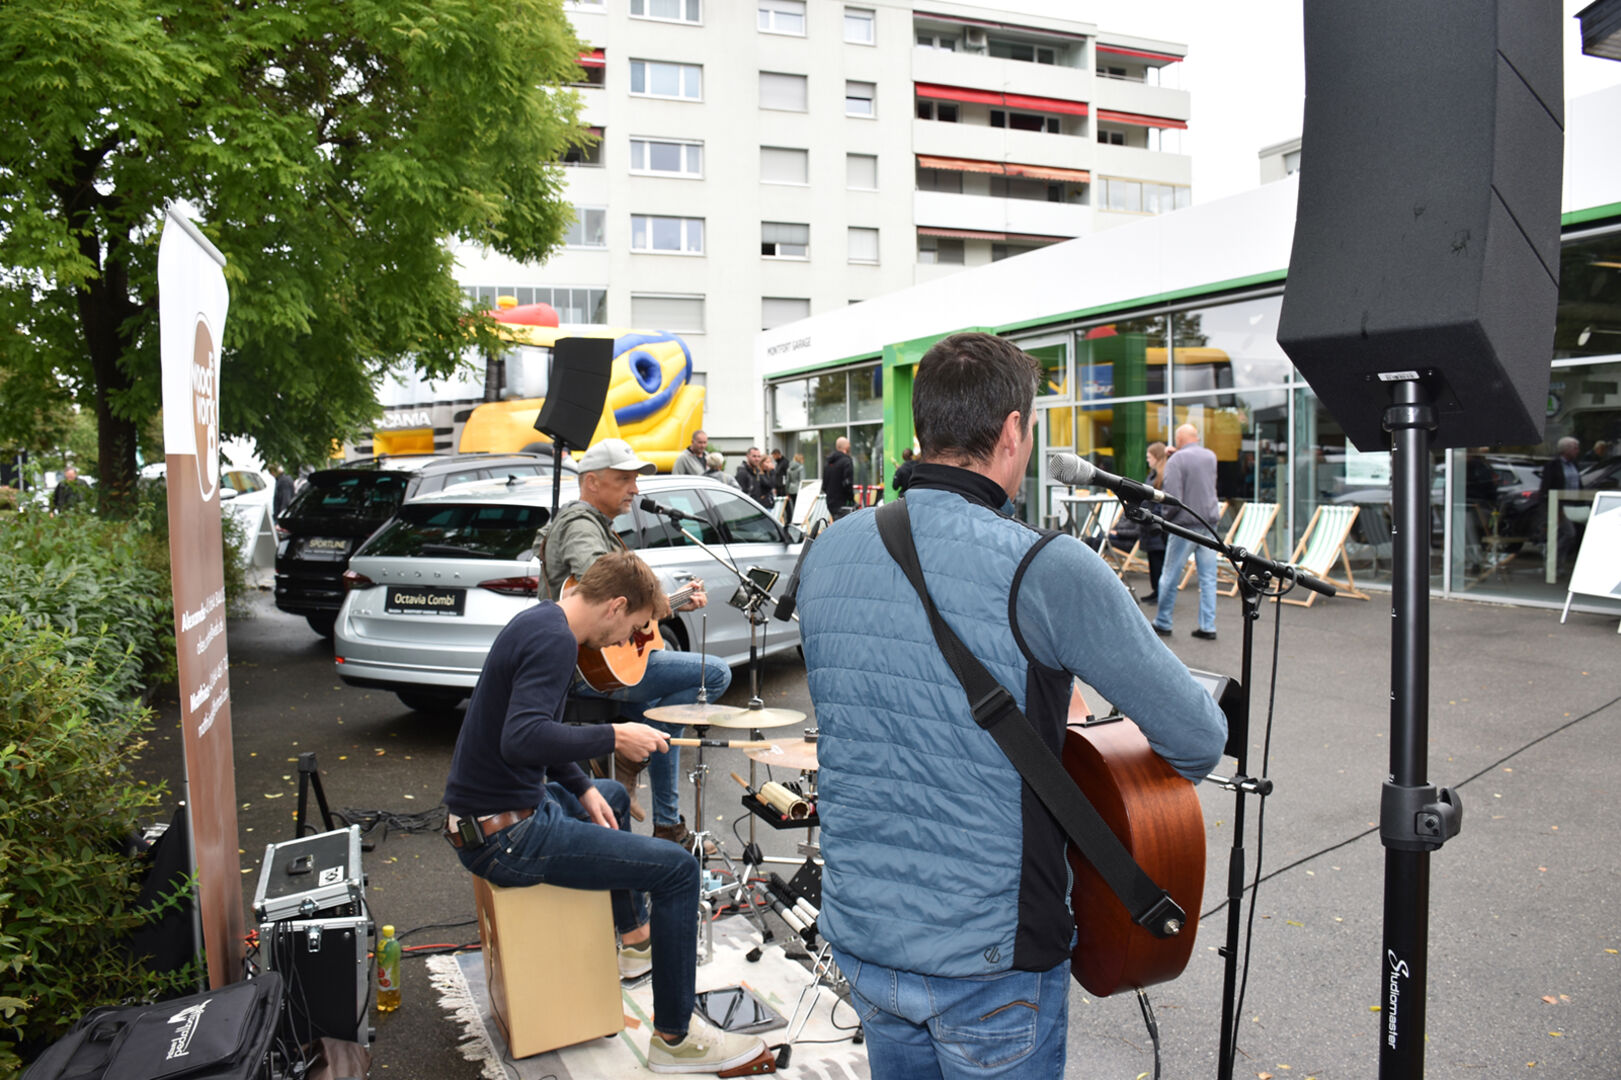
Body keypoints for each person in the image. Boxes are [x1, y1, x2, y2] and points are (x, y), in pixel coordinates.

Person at [794, 332, 1227, 1080]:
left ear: (921, 432)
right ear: (1013, 432)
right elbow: (1196, 739)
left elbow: (878, 696)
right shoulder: (1045, 565)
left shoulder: (828, 550)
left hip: (865, 939)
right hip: (987, 958)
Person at [442, 551, 766, 1074]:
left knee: (610, 799)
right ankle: (675, 1040)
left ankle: (636, 940)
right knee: (678, 869)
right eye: (633, 627)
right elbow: (523, 737)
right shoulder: (555, 642)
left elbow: (531, 730)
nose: (624, 642)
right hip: (508, 837)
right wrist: (616, 733)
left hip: (483, 817)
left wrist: (582, 786)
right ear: (616, 605)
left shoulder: (541, 620)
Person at [541, 438, 731, 851]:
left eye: (635, 480)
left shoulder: (599, 525)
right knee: (713, 673)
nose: (635, 488)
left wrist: (670, 603)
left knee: (665, 714)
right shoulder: (579, 524)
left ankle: (666, 824)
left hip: (605, 663)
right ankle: (633, 760)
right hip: (586, 669)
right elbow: (601, 585)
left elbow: (625, 608)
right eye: (624, 479)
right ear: (591, 482)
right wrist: (661, 601)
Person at [1152, 424, 1221, 640]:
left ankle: (1163, 622)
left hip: (1184, 525)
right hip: (1209, 525)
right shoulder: (1210, 456)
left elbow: (1172, 496)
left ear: (1179, 439)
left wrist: (1165, 518)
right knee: (1208, 578)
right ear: (1196, 437)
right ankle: (1208, 626)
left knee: (1170, 575)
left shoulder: (1177, 460)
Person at [1127, 441, 1170, 605]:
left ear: (1157, 457)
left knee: (1159, 560)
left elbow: (1161, 502)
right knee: (1153, 560)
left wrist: (1154, 517)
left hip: (1155, 524)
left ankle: (1160, 593)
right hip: (1148, 522)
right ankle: (1155, 591)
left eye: (1149, 457)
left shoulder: (1162, 477)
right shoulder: (1153, 475)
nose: (1147, 460)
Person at [1538, 435, 1583, 567]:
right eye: (1575, 448)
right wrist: (1552, 507)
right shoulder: (1553, 465)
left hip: (1574, 504)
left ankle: (1558, 562)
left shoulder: (1574, 465)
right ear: (1566, 449)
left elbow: (1578, 484)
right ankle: (1552, 560)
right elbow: (1546, 487)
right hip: (1558, 505)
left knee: (1568, 535)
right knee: (1569, 533)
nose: (1577, 451)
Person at [823, 437, 855, 519]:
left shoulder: (829, 462)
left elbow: (824, 485)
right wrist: (851, 498)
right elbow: (847, 483)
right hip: (843, 503)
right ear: (847, 448)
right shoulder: (846, 461)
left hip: (830, 503)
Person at [782, 451, 804, 522]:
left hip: (791, 489)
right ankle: (799, 521)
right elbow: (802, 480)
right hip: (799, 489)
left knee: (794, 506)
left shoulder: (789, 469)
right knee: (800, 506)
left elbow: (787, 481)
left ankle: (794, 520)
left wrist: (787, 491)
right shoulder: (801, 468)